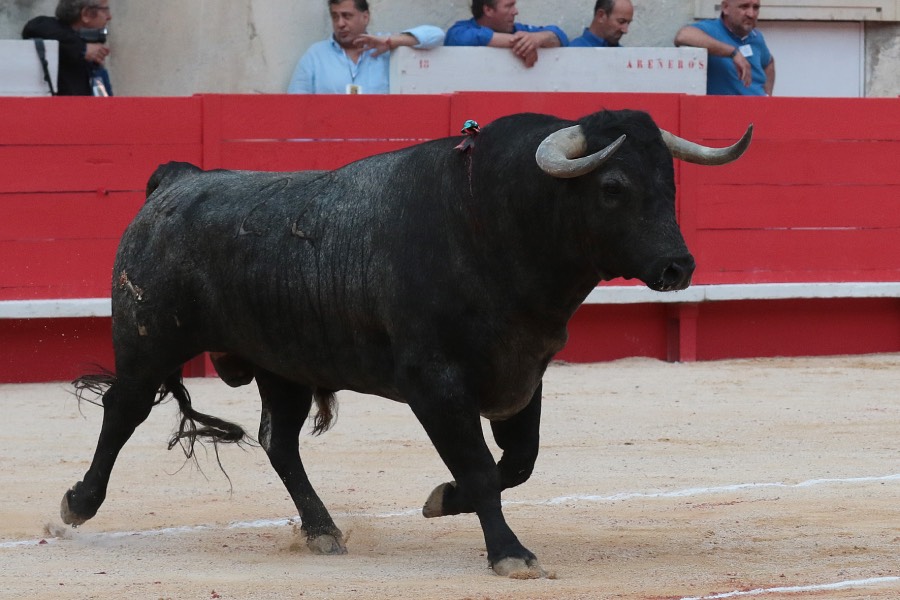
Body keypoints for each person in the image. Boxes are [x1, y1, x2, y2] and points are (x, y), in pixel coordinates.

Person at [288, 0, 444, 94]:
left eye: (347, 16)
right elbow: (295, 108)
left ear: (365, 17)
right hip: (329, 144)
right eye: (335, 16)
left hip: (379, 144)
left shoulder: (386, 49)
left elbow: (437, 36)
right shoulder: (315, 56)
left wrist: (391, 42)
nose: (340, 23)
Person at [674, 0, 774, 96]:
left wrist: (767, 95)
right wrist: (733, 52)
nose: (751, 14)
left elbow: (769, 62)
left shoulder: (756, 36)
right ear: (725, 8)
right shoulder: (711, 30)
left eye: (756, 7)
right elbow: (683, 36)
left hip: (762, 108)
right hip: (728, 109)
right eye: (744, 6)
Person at [22, 0, 113, 96]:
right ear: (86, 14)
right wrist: (82, 49)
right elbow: (33, 28)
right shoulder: (54, 32)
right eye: (105, 10)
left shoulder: (87, 43)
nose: (109, 16)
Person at [444, 0, 568, 68]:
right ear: (488, 10)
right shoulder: (460, 30)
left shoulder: (519, 30)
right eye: (509, 6)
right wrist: (521, 43)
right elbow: (462, 38)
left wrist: (537, 39)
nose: (515, 11)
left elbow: (561, 37)